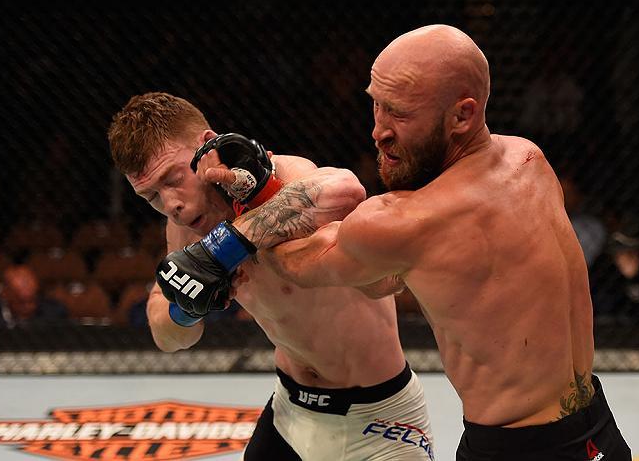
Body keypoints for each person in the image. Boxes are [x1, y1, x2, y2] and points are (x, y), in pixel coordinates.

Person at [171, 25, 631, 459]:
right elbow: (380, 282)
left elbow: (296, 264)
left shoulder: (408, 221)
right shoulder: (529, 158)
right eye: (377, 105)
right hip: (599, 432)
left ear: (463, 115)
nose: (379, 130)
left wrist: (236, 226)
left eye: (401, 113)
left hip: (518, 449)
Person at [107, 92, 434, 461]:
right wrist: (187, 309)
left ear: (206, 147)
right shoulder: (185, 229)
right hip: (290, 413)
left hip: (378, 419)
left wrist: (224, 247)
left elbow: (345, 191)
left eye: (172, 179)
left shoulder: (281, 177)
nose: (171, 205)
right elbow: (168, 336)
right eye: (151, 196)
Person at [0, 264, 68, 329]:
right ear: (4, 295)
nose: (28, 306)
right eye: (21, 302)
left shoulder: (54, 312)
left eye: (32, 301)